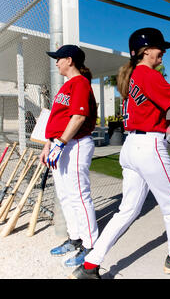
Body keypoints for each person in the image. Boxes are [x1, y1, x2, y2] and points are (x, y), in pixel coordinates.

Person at [70, 27, 170, 279]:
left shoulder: (135, 76)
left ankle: (90, 264)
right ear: (146, 51)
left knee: (127, 211)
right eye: (158, 48)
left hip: (133, 146)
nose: (162, 51)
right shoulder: (147, 74)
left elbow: (154, 111)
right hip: (148, 147)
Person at [40, 44, 99, 267]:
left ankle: (90, 245)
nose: (56, 62)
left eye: (59, 58)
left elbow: (78, 118)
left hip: (74, 144)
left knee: (79, 196)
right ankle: (75, 239)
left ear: (70, 60)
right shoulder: (67, 86)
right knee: (65, 195)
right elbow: (58, 120)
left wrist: (60, 143)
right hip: (61, 145)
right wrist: (49, 144)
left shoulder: (80, 83)